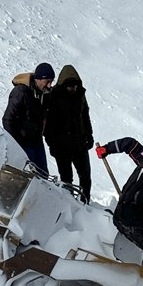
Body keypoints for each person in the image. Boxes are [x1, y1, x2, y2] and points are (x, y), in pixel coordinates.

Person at [43, 65, 94, 203]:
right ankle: (69, 204)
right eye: (70, 86)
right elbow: (49, 124)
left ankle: (85, 202)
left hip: (79, 144)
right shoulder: (54, 97)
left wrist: (89, 136)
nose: (73, 89)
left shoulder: (80, 95)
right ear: (64, 85)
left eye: (75, 85)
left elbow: (85, 116)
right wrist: (52, 144)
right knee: (66, 178)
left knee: (85, 176)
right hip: (62, 147)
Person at [3, 62, 54, 175]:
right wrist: (14, 143)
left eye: (51, 82)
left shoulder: (43, 94)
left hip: (36, 140)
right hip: (23, 142)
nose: (49, 85)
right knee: (30, 175)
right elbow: (7, 119)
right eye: (47, 82)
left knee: (43, 174)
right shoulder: (20, 92)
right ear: (39, 79)